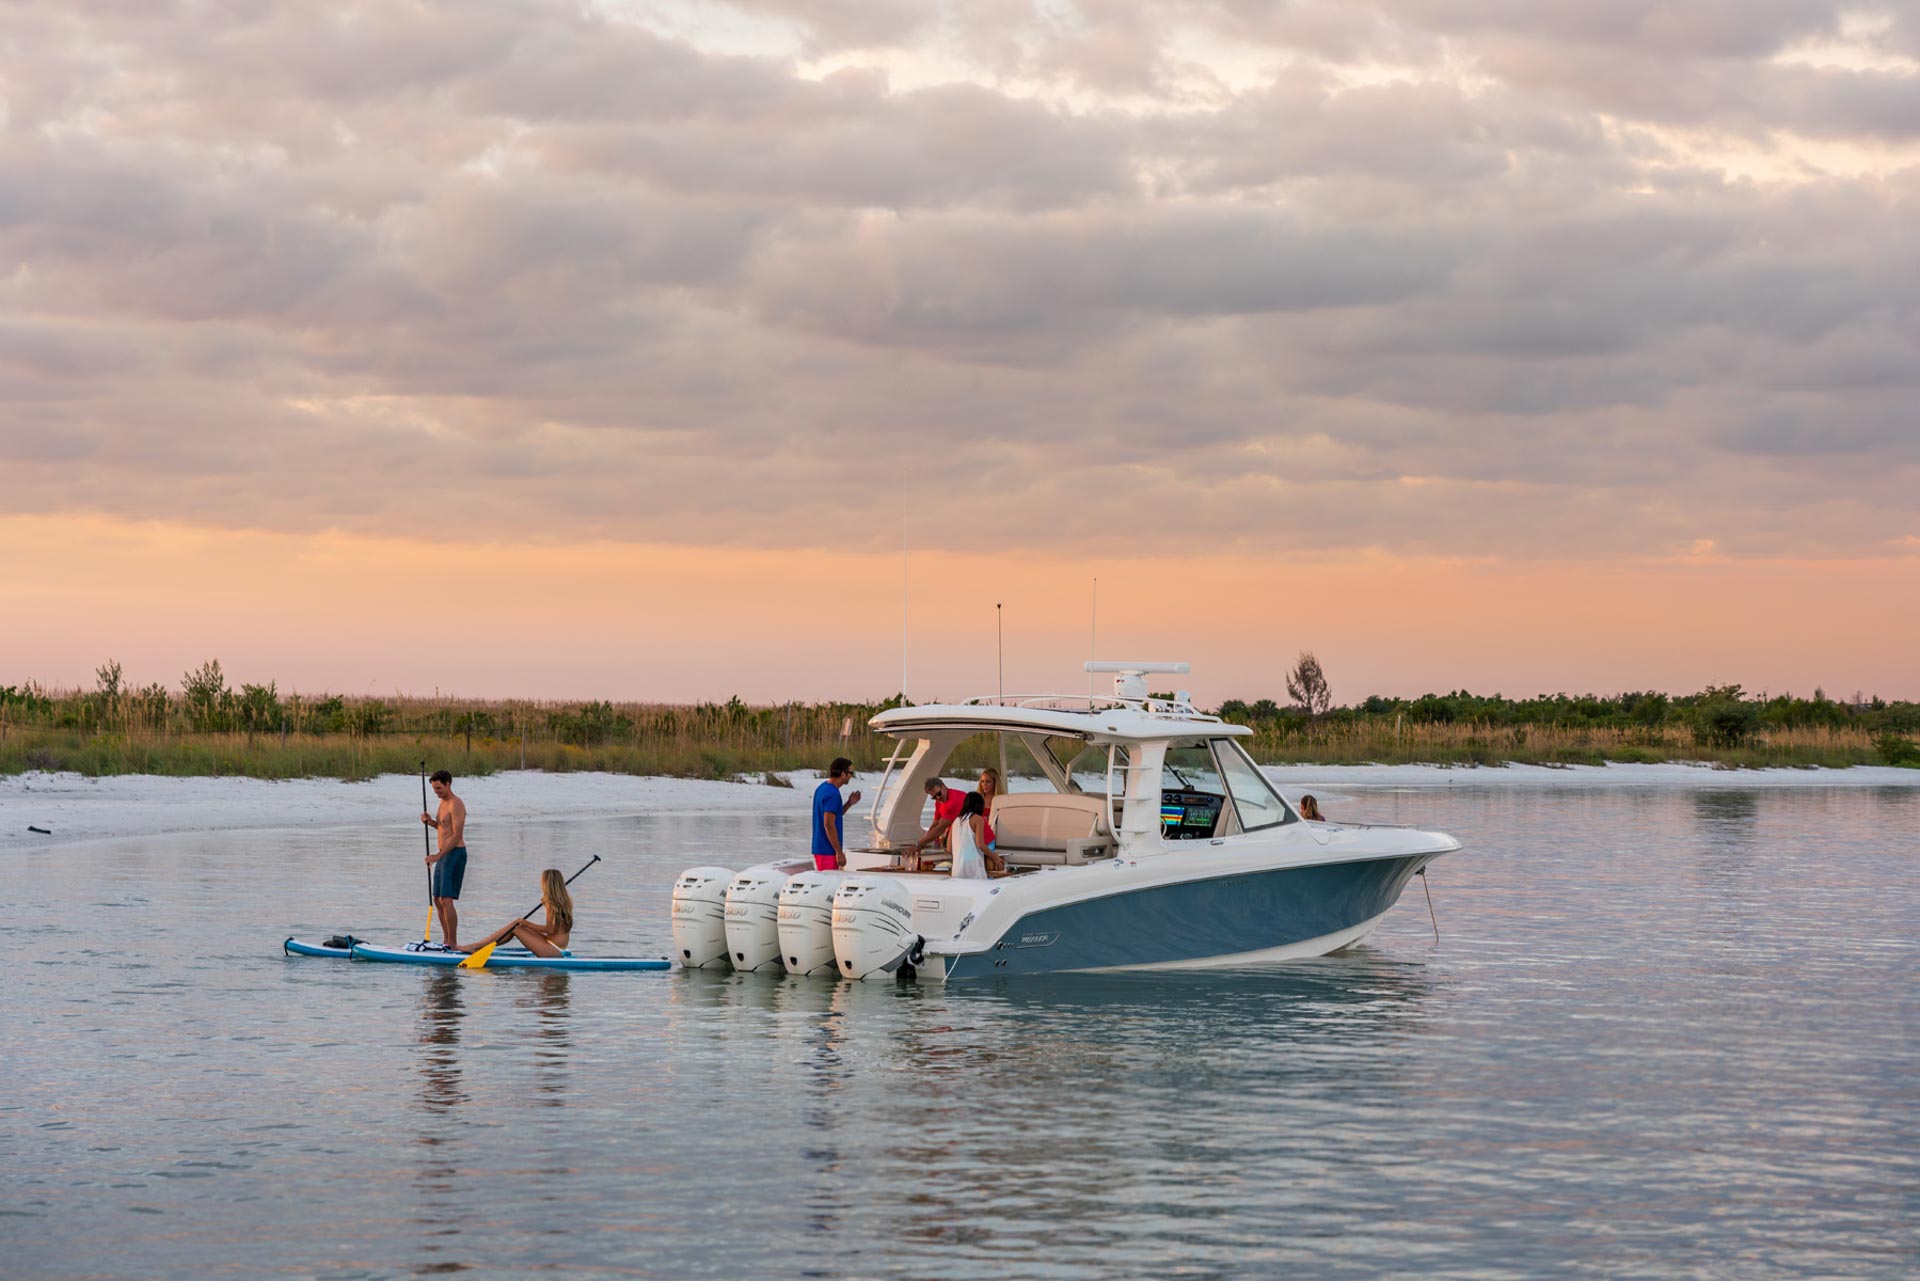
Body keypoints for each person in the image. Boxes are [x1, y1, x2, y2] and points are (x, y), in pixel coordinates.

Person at [459, 868, 573, 958]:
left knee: (515, 927)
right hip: (558, 947)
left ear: (547, 884)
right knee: (516, 925)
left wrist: (526, 923)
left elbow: (550, 929)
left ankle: (476, 946)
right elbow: (555, 930)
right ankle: (478, 946)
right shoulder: (564, 901)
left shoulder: (551, 903)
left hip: (553, 950)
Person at [420, 769, 467, 948]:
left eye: (439, 788)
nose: (436, 792)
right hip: (443, 855)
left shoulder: (456, 804)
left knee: (447, 899)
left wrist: (437, 856)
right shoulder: (442, 804)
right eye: (434, 789)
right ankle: (446, 940)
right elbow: (443, 829)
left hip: (454, 854)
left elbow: (456, 835)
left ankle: (453, 943)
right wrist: (430, 822)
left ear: (448, 783)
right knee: (437, 900)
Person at [905, 777, 968, 871]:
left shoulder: (954, 801)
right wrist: (922, 843)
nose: (938, 798)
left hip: (969, 833)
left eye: (939, 794)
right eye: (934, 797)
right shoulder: (939, 802)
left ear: (943, 786)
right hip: (956, 833)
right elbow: (935, 824)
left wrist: (918, 844)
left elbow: (940, 829)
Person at [811, 757, 861, 871]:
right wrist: (839, 852)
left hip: (821, 848)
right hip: (827, 850)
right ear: (843, 774)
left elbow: (833, 816)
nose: (851, 776)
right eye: (850, 773)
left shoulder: (822, 788)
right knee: (828, 884)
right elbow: (828, 824)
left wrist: (849, 803)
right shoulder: (832, 794)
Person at [949, 792, 991, 880]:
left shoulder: (955, 821)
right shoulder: (978, 819)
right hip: (973, 868)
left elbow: (949, 848)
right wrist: (994, 856)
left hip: (957, 869)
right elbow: (980, 844)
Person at [976, 766, 1002, 850]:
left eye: (988, 782)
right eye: (982, 781)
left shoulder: (1002, 800)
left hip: (996, 837)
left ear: (995, 783)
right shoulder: (977, 799)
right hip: (979, 836)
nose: (984, 784)